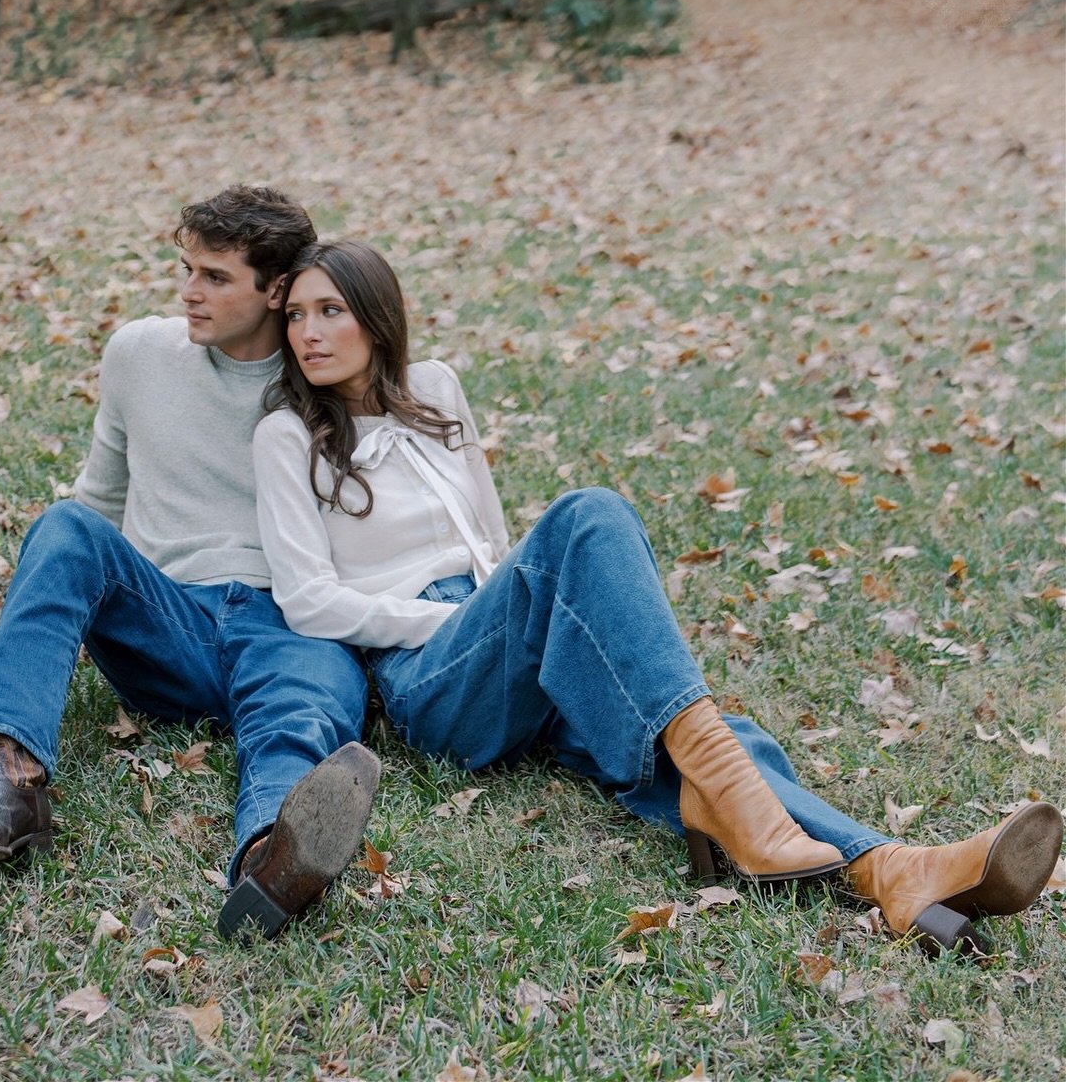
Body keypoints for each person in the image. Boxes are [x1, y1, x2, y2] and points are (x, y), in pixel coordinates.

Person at [252, 239, 1064, 955]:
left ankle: (895, 870)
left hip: (504, 623)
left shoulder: (435, 388)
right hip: (432, 674)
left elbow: (494, 546)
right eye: (296, 316)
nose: (309, 333)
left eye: (332, 310)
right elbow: (309, 602)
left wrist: (518, 609)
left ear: (378, 316)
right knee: (587, 513)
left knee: (691, 732)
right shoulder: (285, 434)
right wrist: (463, 618)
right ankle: (758, 825)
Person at [0, 186, 381, 943]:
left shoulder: (327, 374)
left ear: (276, 290)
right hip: (169, 620)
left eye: (215, 277)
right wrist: (39, 613)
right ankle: (8, 781)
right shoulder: (139, 353)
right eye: (186, 269)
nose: (189, 292)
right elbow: (97, 503)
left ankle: (273, 857)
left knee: (296, 717)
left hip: (294, 618)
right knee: (64, 527)